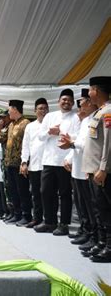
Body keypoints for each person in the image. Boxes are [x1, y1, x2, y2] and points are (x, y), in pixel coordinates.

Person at [35, 89, 80, 235]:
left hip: (64, 161)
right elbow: (40, 136)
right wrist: (50, 132)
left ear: (73, 102)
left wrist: (70, 155)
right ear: (59, 101)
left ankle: (64, 224)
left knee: (65, 193)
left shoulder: (76, 117)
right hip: (48, 160)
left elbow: (77, 139)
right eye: (63, 99)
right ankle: (49, 221)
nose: (66, 102)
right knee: (46, 191)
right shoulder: (50, 116)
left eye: (69, 100)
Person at [62, 89, 98, 246]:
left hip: (87, 168)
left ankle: (93, 233)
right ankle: (85, 229)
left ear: (89, 103)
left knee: (90, 204)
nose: (79, 106)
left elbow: (88, 144)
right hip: (77, 167)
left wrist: (72, 143)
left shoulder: (95, 119)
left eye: (81, 103)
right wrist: (68, 156)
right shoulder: (84, 121)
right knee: (80, 201)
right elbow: (78, 140)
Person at [81, 76, 111, 263]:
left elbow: (109, 143)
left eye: (90, 89)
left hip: (103, 172)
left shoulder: (108, 111)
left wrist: (103, 168)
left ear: (97, 91)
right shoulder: (99, 112)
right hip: (95, 170)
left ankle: (109, 246)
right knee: (99, 208)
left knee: (106, 209)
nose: (88, 93)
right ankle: (102, 242)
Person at [20, 98, 49, 228]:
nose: (43, 111)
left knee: (47, 193)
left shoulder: (51, 124)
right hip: (34, 165)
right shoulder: (30, 126)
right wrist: (24, 162)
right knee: (36, 193)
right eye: (40, 108)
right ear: (35, 111)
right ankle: (37, 218)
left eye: (45, 108)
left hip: (48, 164)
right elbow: (25, 145)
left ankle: (48, 219)